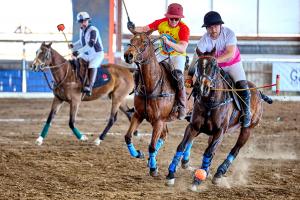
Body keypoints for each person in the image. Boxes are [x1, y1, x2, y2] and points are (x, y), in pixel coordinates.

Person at [186, 11, 251, 127]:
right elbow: (196, 58)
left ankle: (246, 113)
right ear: (206, 28)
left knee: (242, 86)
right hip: (216, 68)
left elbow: (230, 54)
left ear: (221, 25)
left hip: (233, 65)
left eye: (215, 26)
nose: (213, 30)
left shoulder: (229, 34)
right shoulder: (204, 40)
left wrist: (214, 61)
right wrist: (190, 76)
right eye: (210, 27)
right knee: (200, 85)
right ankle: (194, 111)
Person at [127, 3, 190, 120]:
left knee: (179, 76)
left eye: (177, 19)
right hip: (162, 53)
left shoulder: (184, 28)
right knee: (140, 69)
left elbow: (182, 48)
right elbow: (144, 29)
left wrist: (169, 42)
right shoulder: (161, 22)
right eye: (172, 18)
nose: (174, 21)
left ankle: (182, 106)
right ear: (168, 16)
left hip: (177, 55)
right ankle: (138, 94)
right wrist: (132, 28)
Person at [70, 11, 104, 96]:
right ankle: (78, 79)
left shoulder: (93, 30)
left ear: (88, 20)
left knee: (91, 66)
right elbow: (81, 40)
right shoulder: (82, 29)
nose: (83, 23)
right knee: (76, 60)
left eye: (84, 21)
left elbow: (90, 45)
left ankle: (89, 86)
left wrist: (78, 51)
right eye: (81, 21)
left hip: (97, 54)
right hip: (87, 54)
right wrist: (73, 44)